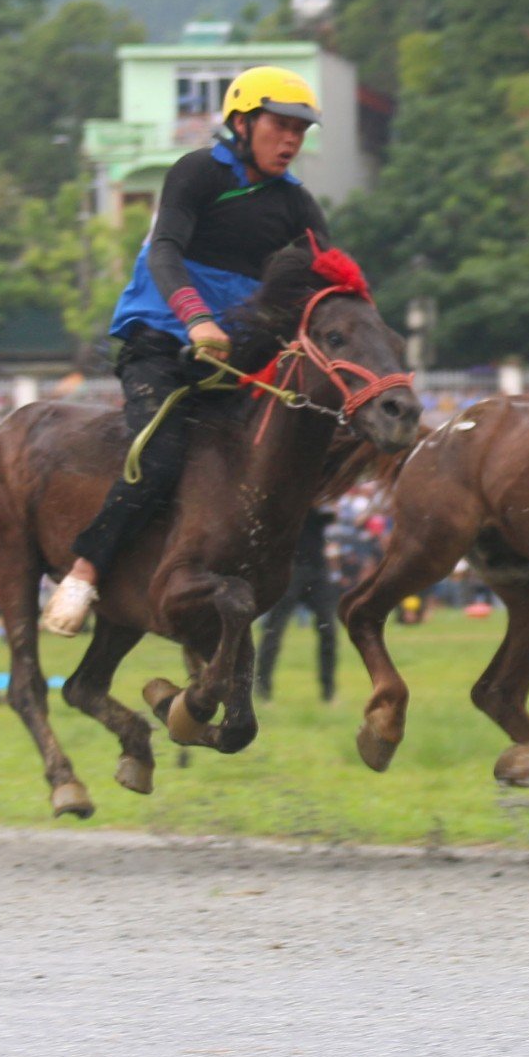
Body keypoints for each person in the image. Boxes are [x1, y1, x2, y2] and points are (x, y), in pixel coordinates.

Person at [44, 66, 331, 635]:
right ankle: (84, 570)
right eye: (281, 125)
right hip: (159, 346)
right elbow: (165, 254)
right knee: (161, 457)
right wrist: (197, 319)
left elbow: (331, 282)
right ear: (242, 123)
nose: (292, 140)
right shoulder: (196, 173)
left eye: (301, 129)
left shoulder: (297, 205)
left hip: (236, 365)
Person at [254, 508, 339, 702]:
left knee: (328, 630)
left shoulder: (320, 497)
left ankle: (329, 692)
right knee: (274, 630)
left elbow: (331, 516)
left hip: (317, 569)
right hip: (290, 569)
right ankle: (262, 688)